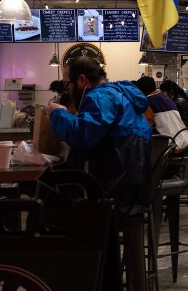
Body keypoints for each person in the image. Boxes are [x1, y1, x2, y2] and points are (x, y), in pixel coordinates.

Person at [47, 57, 154, 215]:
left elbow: (81, 136)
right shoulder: (119, 95)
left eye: (66, 84)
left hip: (115, 194)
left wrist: (57, 113)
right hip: (133, 189)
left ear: (82, 80)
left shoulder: (102, 97)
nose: (67, 90)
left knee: (48, 191)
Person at [135, 76, 188, 151]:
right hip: (185, 142)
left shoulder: (147, 102)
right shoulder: (167, 99)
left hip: (171, 147)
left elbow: (146, 127)